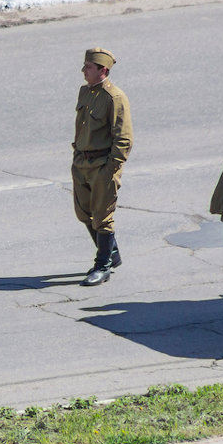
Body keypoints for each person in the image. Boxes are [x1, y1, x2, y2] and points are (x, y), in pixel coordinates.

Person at [72, 47, 132, 287]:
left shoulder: (115, 98)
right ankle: (112, 253)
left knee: (103, 217)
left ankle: (102, 265)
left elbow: (124, 138)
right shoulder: (85, 93)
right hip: (81, 163)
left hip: (102, 166)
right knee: (83, 213)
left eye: (88, 67)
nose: (83, 70)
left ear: (103, 71)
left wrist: (111, 169)